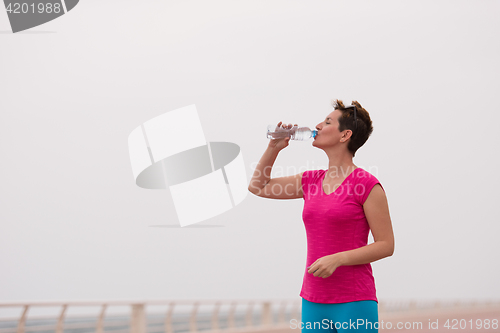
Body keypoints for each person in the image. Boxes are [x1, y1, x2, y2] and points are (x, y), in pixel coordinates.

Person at [248, 100, 395, 333]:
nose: (317, 125)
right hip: (313, 299)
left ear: (345, 135)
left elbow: (386, 245)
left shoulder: (367, 184)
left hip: (354, 300)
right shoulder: (310, 181)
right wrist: (273, 148)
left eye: (327, 122)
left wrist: (337, 259)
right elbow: (258, 187)